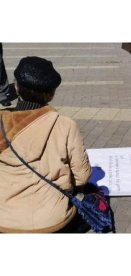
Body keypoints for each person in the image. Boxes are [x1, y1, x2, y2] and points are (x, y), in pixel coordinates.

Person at [0, 56, 92, 233]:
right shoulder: (64, 124)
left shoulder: (2, 121)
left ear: (17, 88)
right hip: (52, 219)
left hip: (4, 219)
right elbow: (82, 177)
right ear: (51, 94)